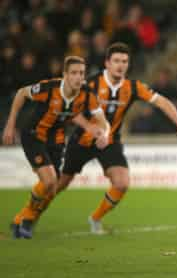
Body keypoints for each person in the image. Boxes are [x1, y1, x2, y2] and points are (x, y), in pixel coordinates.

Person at [31, 42, 177, 234]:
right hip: (82, 141)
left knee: (122, 182)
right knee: (58, 185)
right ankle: (31, 217)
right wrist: (90, 128)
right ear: (107, 63)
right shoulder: (90, 84)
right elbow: (73, 112)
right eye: (116, 61)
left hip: (110, 141)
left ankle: (95, 219)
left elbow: (162, 102)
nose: (120, 65)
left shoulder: (133, 87)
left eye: (124, 61)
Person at [3, 56, 110, 239]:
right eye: (74, 73)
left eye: (82, 73)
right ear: (65, 75)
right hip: (34, 136)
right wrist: (10, 124)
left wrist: (104, 135)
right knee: (50, 181)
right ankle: (27, 221)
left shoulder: (86, 94)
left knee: (51, 189)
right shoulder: (49, 88)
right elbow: (21, 93)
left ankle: (20, 220)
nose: (78, 77)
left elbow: (102, 121)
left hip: (57, 140)